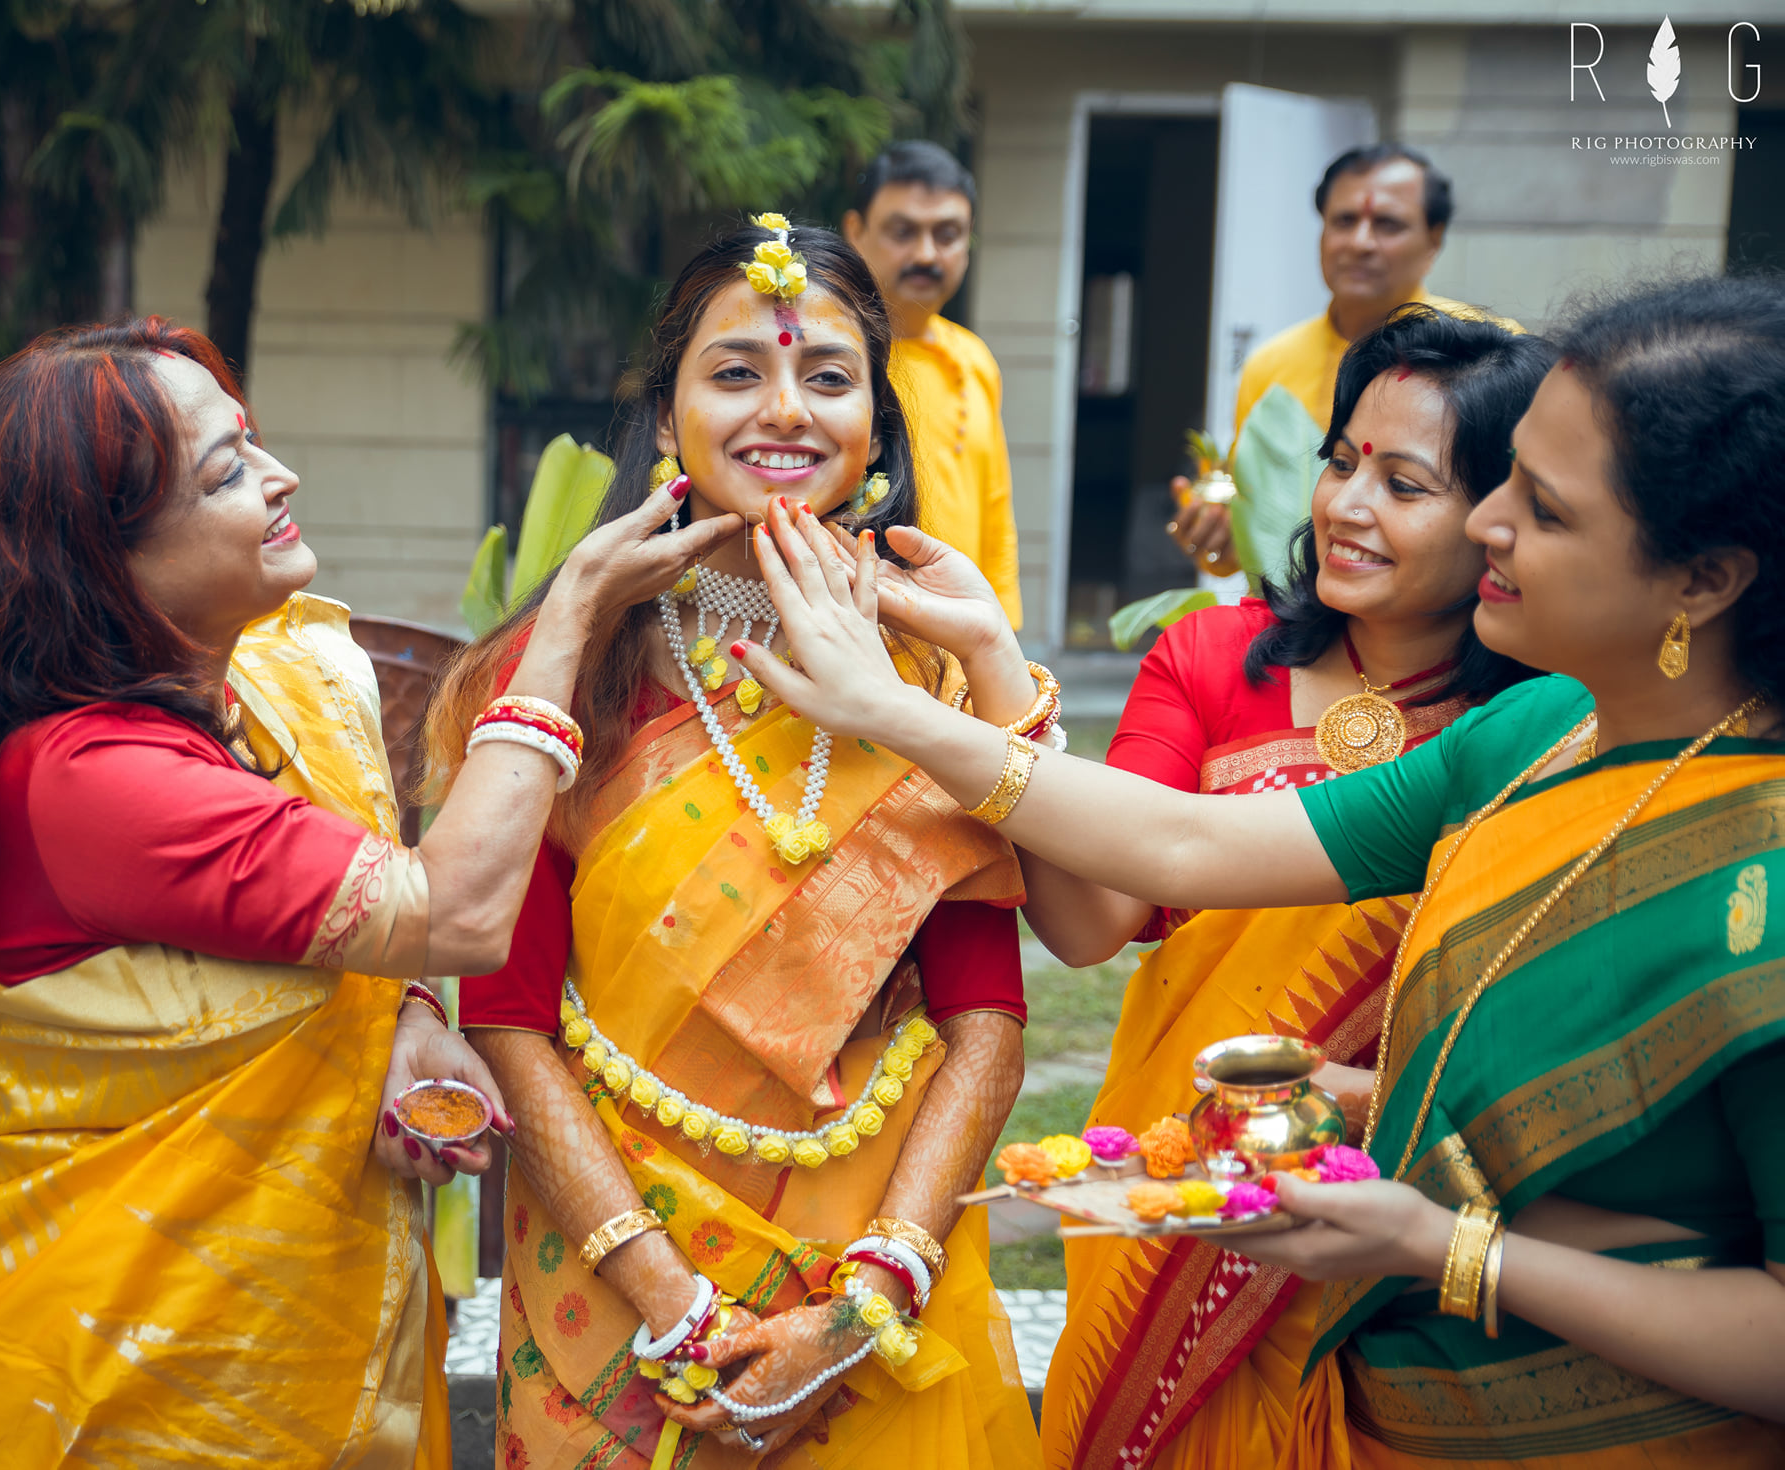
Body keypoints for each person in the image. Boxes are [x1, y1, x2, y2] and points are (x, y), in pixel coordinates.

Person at [736, 272, 1785, 1466]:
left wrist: (1443, 1247)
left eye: (1540, 507)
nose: (1488, 522)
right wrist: (940, 686)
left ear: (1704, 578)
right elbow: (1183, 845)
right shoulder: (1534, 737)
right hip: (1393, 1416)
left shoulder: (1749, 864)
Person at [0, 317, 737, 1467]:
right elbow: (454, 911)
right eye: (225, 473)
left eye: (251, 440)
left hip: (279, 1340)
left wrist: (402, 1018)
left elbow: (330, 908)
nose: (279, 478)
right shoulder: (88, 780)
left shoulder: (257, 685)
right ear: (97, 557)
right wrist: (568, 619)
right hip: (136, 1376)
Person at [428, 216, 1040, 1467]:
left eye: (827, 376)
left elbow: (985, 1019)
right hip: (611, 1291)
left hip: (875, 1271)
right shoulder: (558, 675)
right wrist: (673, 1304)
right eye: (735, 372)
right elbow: (505, 1019)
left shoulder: (931, 681)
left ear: (876, 424)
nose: (785, 410)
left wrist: (865, 1305)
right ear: (666, 420)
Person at [1030, 307, 1551, 1470]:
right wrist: (996, 701)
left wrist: (1351, 1100)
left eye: (1402, 484)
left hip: (1394, 1221)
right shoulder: (1212, 657)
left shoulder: (1537, 722)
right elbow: (1088, 922)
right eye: (1339, 461)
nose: (1345, 506)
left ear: (1498, 520)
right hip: (1178, 1189)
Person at [1172, 144, 1505, 578]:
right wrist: (1219, 538)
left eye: (1387, 224)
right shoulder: (1271, 366)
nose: (1360, 242)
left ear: (1434, 238)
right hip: (1302, 613)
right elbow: (1261, 534)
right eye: (1344, 221)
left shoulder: (1485, 352)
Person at [844, 140, 1023, 627]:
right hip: (862, 633)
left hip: (966, 637)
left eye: (947, 234)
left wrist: (1004, 631)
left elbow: (995, 514)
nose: (926, 254)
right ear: (855, 232)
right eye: (903, 232)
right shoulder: (829, 359)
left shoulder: (974, 358)